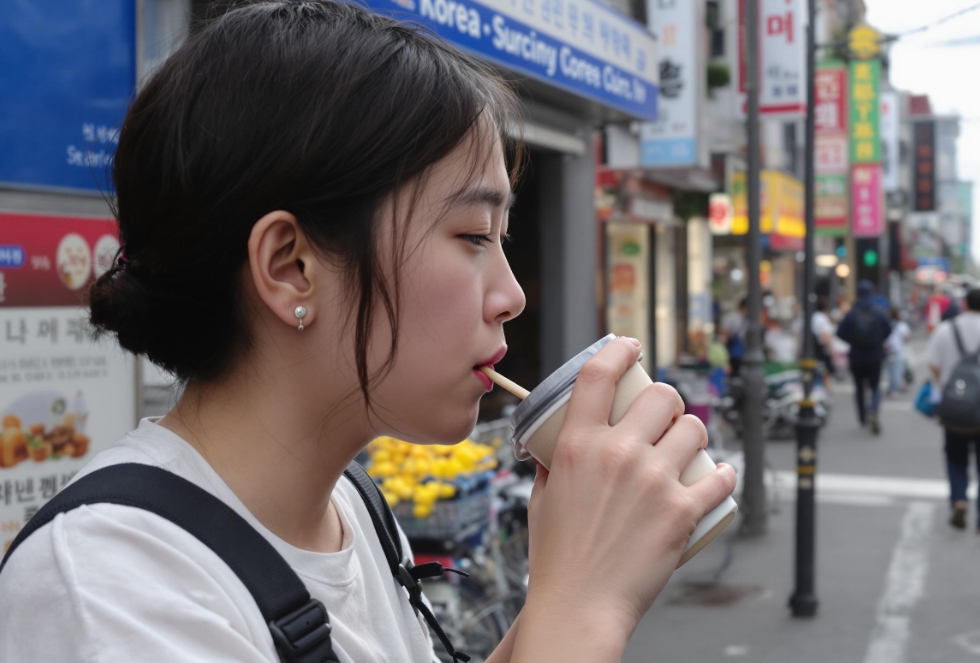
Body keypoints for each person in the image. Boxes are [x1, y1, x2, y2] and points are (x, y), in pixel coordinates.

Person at [0, 3, 736, 662]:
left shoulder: (354, 506)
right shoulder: (109, 589)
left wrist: (575, 572)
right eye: (474, 234)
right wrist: (583, 608)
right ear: (291, 267)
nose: (511, 294)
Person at [926, 288, 980, 531]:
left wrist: (946, 387)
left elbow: (933, 365)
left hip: (954, 408)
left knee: (955, 457)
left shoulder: (946, 329)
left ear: (964, 303)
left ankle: (959, 499)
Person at [836, 281, 892, 434]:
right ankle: (873, 409)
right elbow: (889, 330)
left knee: (859, 388)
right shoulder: (878, 312)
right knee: (875, 387)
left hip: (856, 357)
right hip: (875, 356)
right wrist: (878, 341)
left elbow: (840, 332)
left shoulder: (852, 313)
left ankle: (862, 417)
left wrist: (852, 341)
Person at [811, 298, 837, 389]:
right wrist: (831, 350)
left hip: (810, 348)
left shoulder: (810, 317)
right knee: (825, 371)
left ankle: (813, 389)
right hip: (820, 348)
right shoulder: (822, 318)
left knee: (812, 370)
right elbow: (825, 335)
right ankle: (825, 391)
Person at [885, 307, 911, 397]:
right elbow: (906, 338)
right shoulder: (902, 325)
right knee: (897, 371)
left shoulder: (886, 323)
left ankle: (891, 387)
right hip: (898, 349)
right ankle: (894, 389)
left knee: (890, 371)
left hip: (887, 350)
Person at [721, 297, 748, 376]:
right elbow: (725, 335)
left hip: (740, 350)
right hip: (733, 351)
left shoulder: (745, 318)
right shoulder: (732, 318)